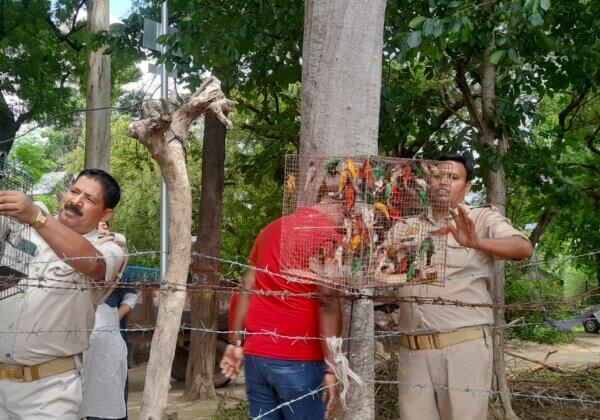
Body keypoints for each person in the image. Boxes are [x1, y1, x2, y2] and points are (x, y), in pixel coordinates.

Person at [388, 155, 532, 420]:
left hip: (462, 347)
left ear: (467, 188)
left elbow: (523, 247)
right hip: (412, 351)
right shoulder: (406, 227)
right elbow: (380, 269)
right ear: (427, 182)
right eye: (438, 176)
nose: (443, 183)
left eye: (453, 178)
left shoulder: (481, 218)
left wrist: (476, 242)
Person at [0, 169, 127, 419]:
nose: (76, 200)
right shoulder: (22, 226)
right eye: (74, 191)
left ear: (106, 213)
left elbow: (94, 265)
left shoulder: (111, 246)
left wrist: (37, 217)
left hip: (47, 393)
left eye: (89, 199)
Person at [220, 196, 345, 419]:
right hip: (299, 359)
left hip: (257, 356)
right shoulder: (328, 236)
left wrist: (235, 342)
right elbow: (328, 302)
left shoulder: (270, 229)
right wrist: (331, 366)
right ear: (334, 203)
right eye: (344, 215)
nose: (344, 224)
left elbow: (245, 289)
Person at [79, 221, 137, 420]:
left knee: (112, 390)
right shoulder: (75, 257)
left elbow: (131, 295)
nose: (101, 229)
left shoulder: (118, 258)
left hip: (109, 335)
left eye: (103, 226)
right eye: (96, 226)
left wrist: (112, 320)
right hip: (79, 339)